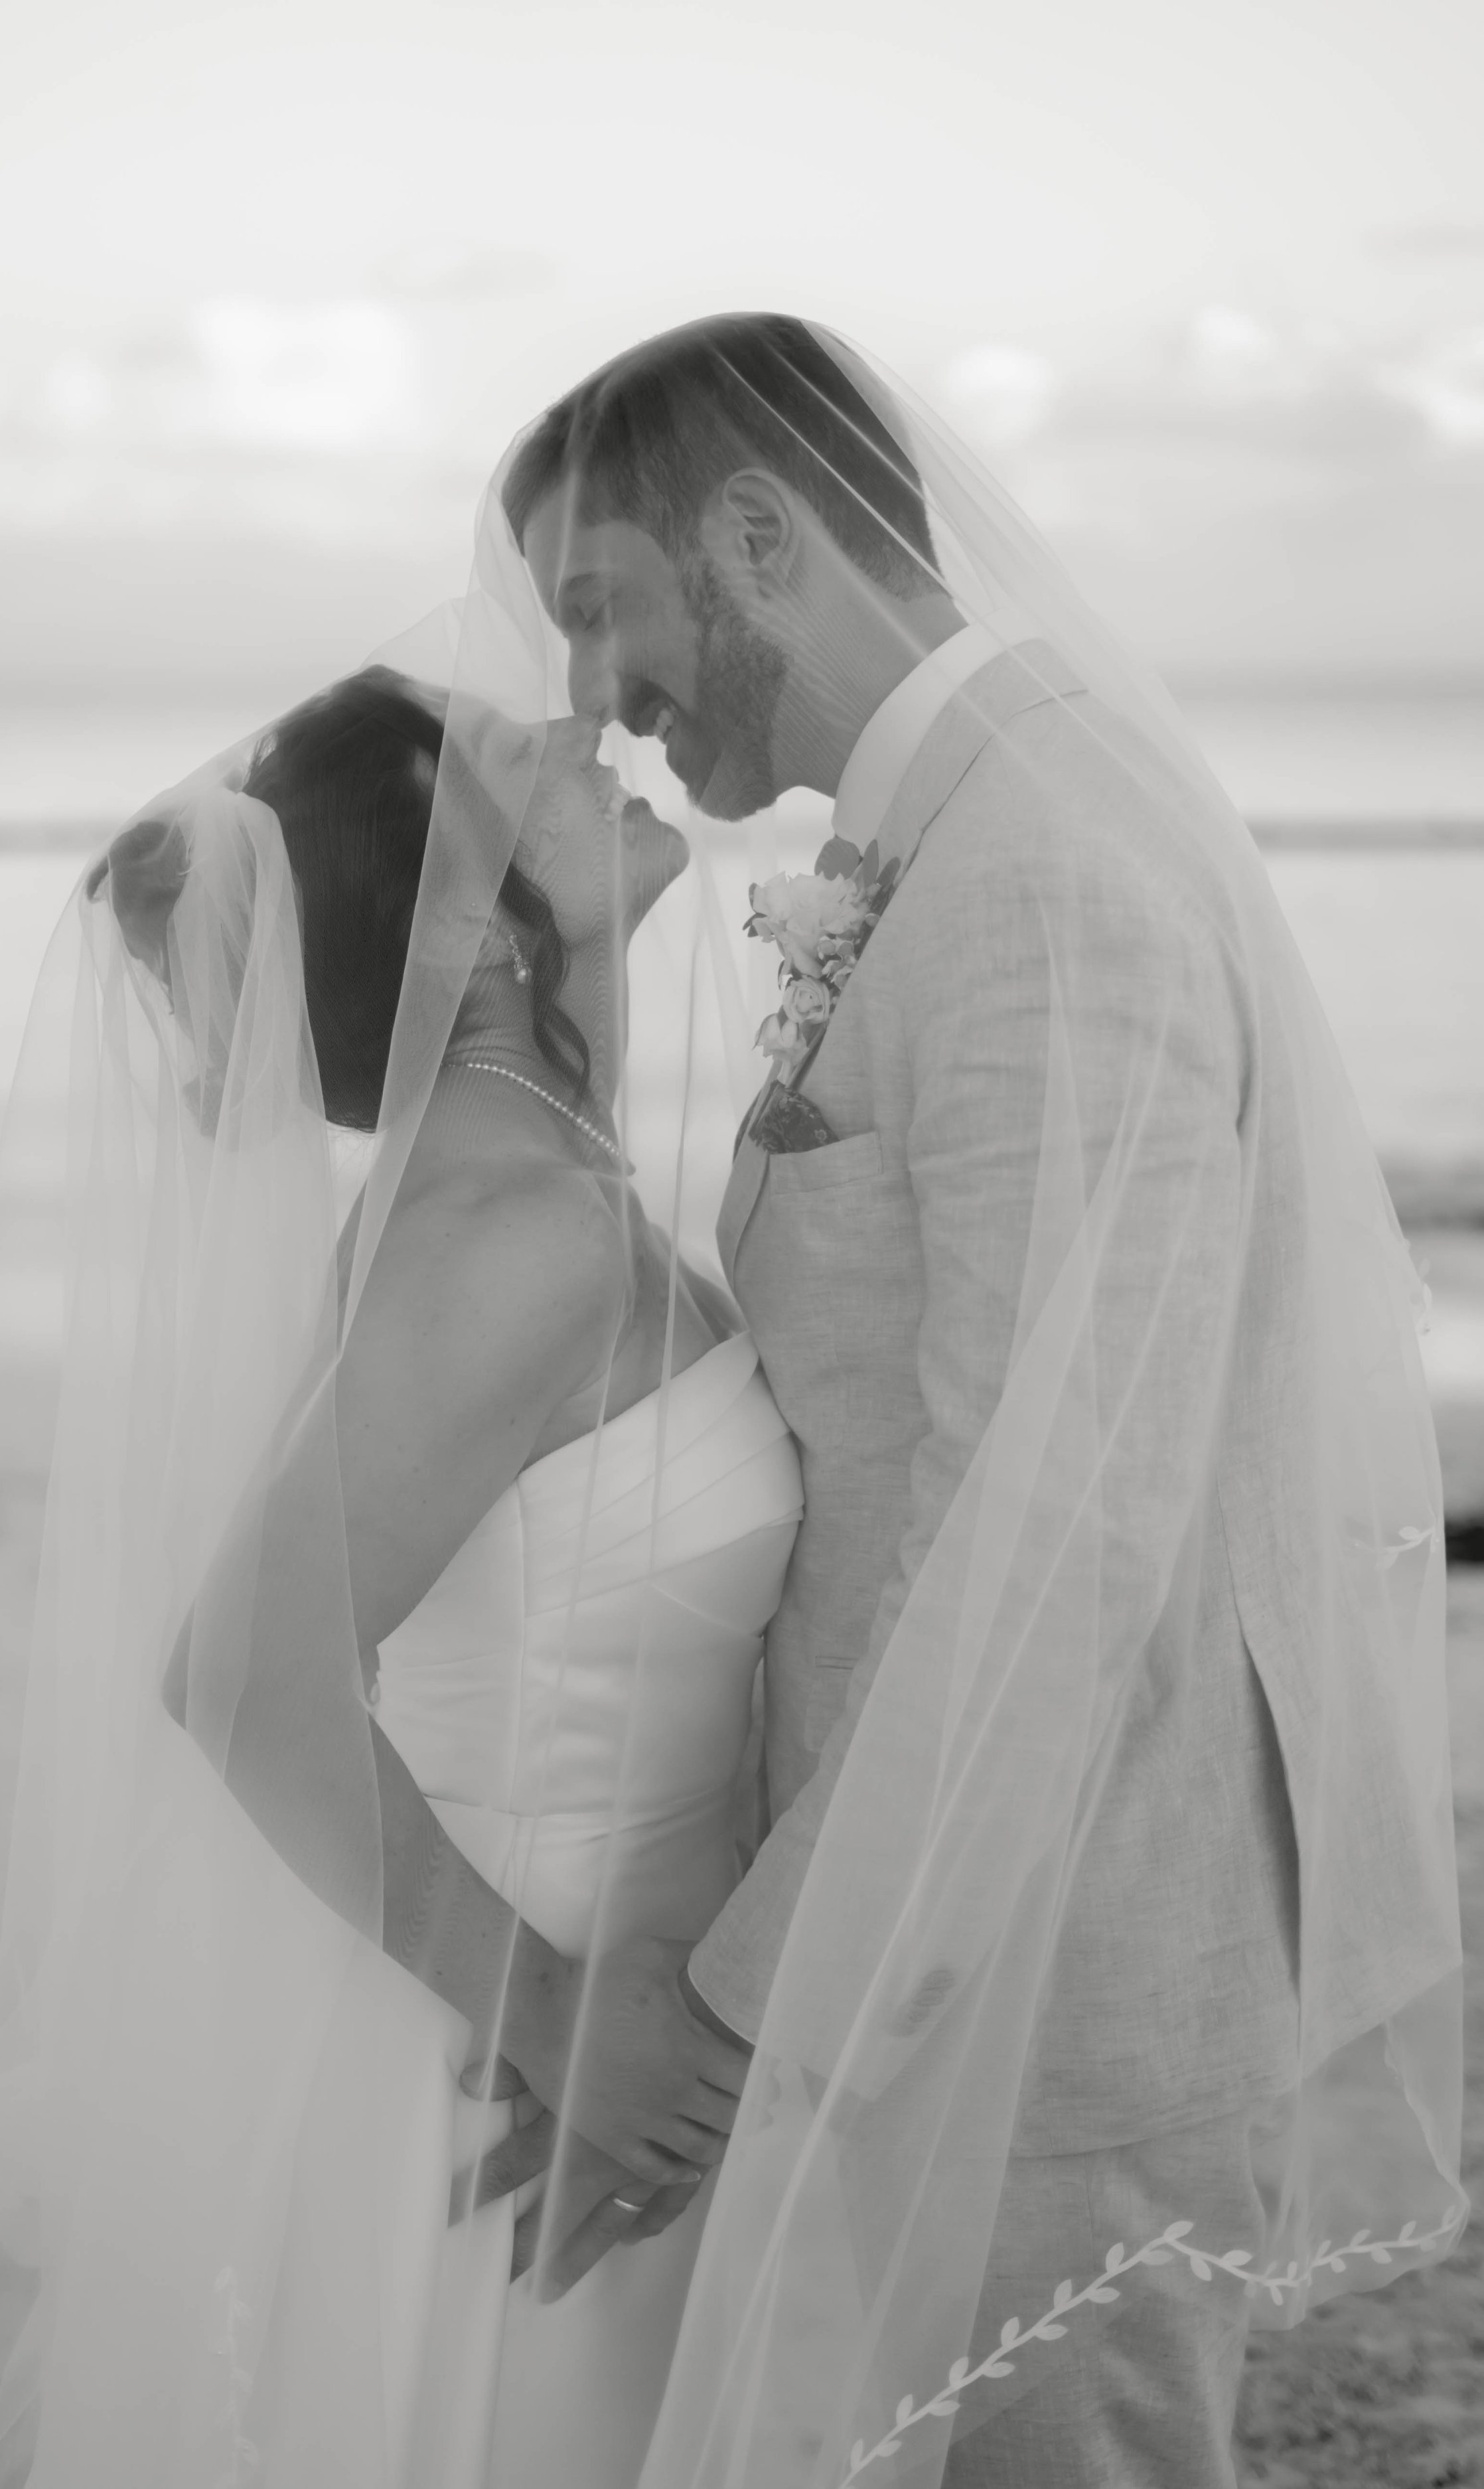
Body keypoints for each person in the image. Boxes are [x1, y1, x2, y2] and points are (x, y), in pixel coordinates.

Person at [479, 315, 1466, 2488]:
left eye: (598, 604)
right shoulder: (965, 827)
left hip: (1052, 1969)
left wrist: (742, 2013)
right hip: (943, 1921)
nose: (589, 692)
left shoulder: (1033, 878)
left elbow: (1050, 1531)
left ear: (756, 534)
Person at [0, 660, 802, 2485]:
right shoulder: (505, 1230)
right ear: (471, 907)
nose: (593, 744)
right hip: (506, 2058)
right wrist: (557, 2021)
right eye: (527, 757)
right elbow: (243, 1672)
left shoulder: (537, 1166)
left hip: (609, 1995)